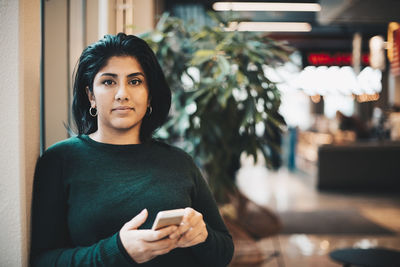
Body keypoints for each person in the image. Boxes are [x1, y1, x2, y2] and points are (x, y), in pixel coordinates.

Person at [30, 33, 234, 267]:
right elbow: (42, 261)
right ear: (90, 96)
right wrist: (118, 251)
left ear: (149, 96)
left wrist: (203, 236)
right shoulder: (59, 160)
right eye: (108, 82)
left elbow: (224, 253)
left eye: (135, 81)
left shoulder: (179, 162)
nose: (122, 93)